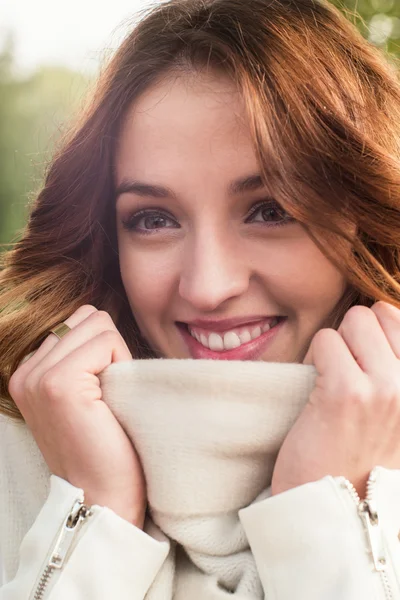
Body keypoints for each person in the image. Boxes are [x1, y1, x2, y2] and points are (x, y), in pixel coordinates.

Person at [1, 0, 400, 597]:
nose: (208, 287)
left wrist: (329, 518)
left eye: (271, 210)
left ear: (364, 221)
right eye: (155, 219)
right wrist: (90, 519)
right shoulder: (20, 452)